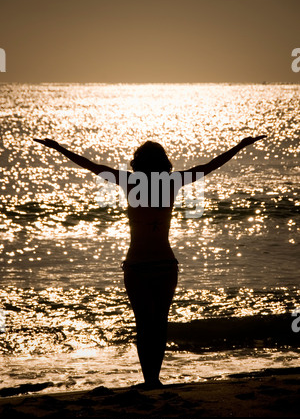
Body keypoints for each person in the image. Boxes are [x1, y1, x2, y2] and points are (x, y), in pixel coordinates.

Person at [34, 135, 266, 389]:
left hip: (137, 266)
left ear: (138, 162)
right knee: (160, 325)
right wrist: (240, 146)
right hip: (165, 264)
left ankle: (150, 380)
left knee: (144, 326)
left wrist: (58, 148)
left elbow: (91, 165)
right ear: (164, 162)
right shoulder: (172, 181)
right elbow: (210, 166)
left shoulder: (130, 181)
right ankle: (154, 379)